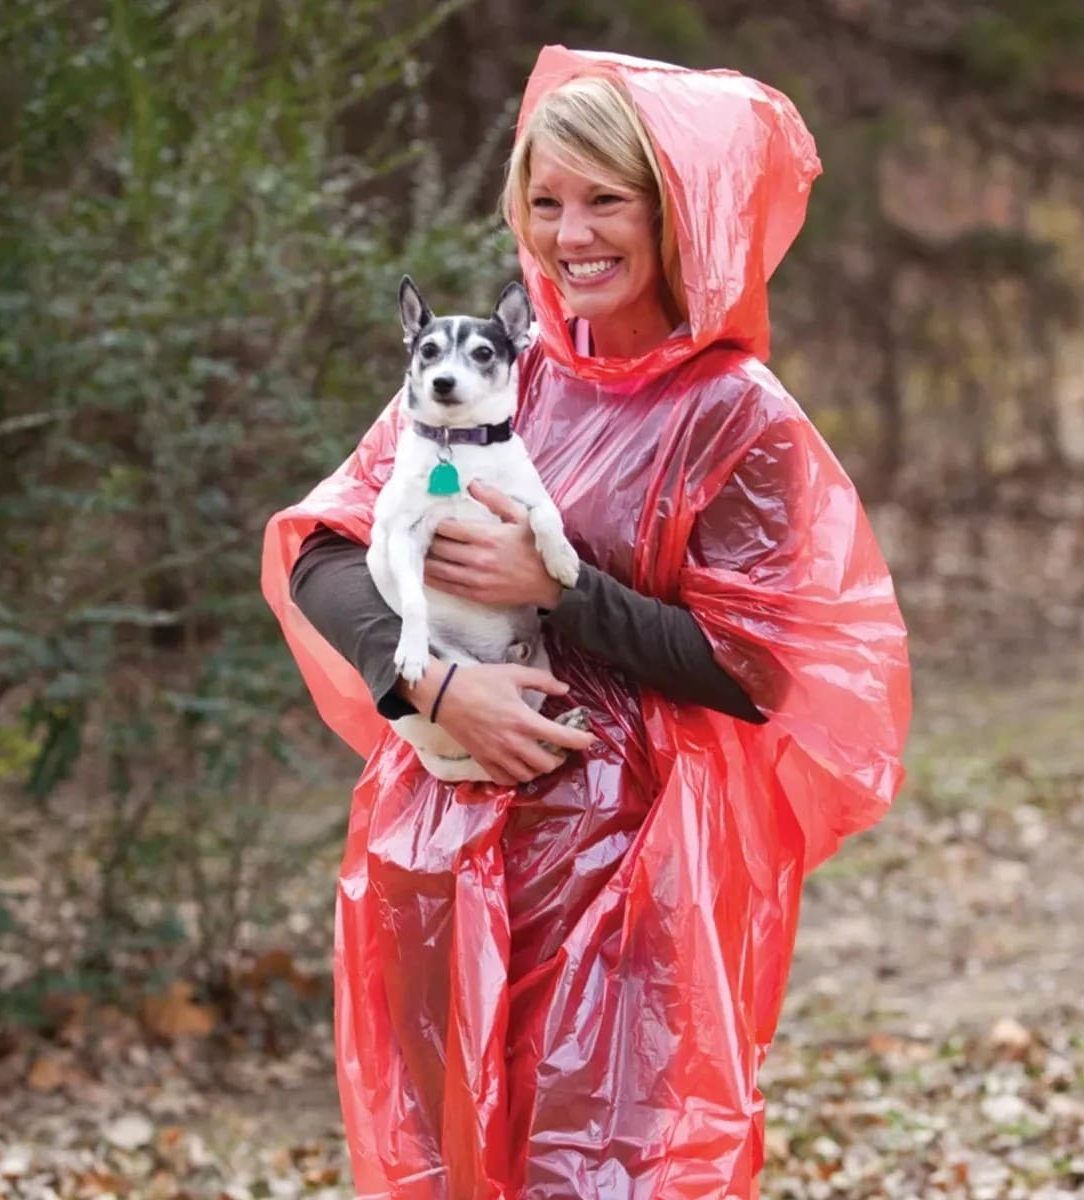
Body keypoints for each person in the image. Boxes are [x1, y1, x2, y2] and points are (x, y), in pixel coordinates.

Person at [261, 45, 911, 1200]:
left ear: (679, 211)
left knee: (609, 1166)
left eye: (606, 198)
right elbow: (325, 550)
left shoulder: (736, 419)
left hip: (631, 876)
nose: (573, 235)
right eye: (545, 202)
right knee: (451, 1160)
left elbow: (758, 672)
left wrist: (554, 587)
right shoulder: (500, 375)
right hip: (443, 843)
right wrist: (431, 687)